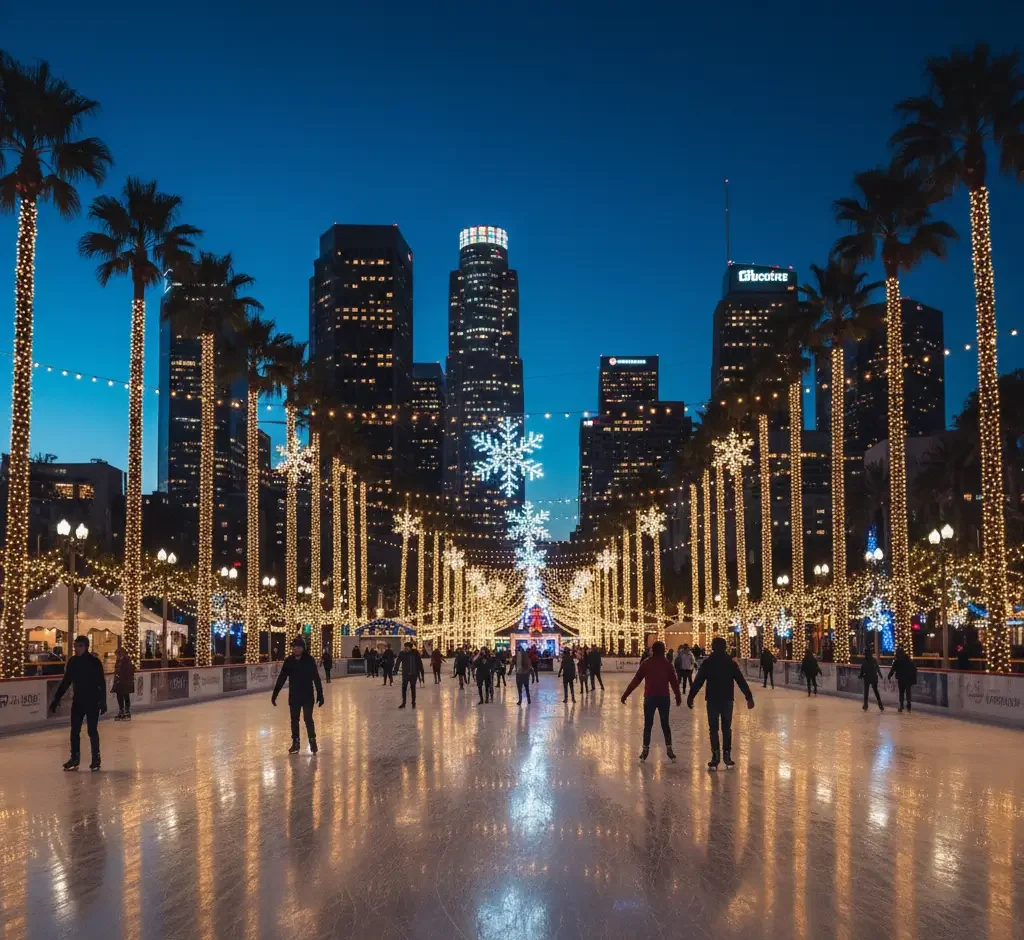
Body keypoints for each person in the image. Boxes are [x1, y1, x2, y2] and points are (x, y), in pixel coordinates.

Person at [687, 636, 755, 769]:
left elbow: (698, 681)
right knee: (726, 728)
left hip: (713, 699)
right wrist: (749, 697)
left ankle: (716, 756)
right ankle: (726, 756)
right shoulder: (729, 663)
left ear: (713, 647)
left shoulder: (709, 663)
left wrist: (691, 696)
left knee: (714, 729)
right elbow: (741, 681)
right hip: (726, 699)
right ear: (725, 647)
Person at [50, 635, 107, 771]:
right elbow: (66, 681)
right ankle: (74, 757)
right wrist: (56, 699)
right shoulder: (73, 662)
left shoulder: (94, 662)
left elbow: (101, 682)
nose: (77, 648)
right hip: (78, 701)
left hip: (92, 701)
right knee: (74, 730)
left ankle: (95, 758)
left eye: (80, 646)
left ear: (86, 646)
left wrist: (103, 701)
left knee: (92, 730)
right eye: (75, 645)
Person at [621, 640, 681, 762]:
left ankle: (645, 750)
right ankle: (669, 750)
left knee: (648, 725)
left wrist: (626, 694)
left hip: (650, 698)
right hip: (663, 698)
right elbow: (674, 682)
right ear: (663, 650)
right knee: (665, 724)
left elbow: (636, 680)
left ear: (653, 650)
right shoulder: (667, 664)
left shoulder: (647, 664)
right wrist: (678, 696)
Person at [272, 637, 324, 754]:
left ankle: (312, 740)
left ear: (303, 648)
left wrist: (320, 694)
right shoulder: (288, 661)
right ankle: (295, 743)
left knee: (308, 719)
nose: (295, 649)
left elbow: (316, 677)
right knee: (294, 720)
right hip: (294, 696)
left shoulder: (309, 660)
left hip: (307, 696)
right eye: (294, 647)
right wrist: (275, 694)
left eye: (298, 647)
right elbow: (282, 678)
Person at [396, 642, 425, 708]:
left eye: (407, 647)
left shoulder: (415, 653)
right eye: (405, 647)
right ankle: (403, 703)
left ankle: (413, 703)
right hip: (405, 674)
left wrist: (421, 671)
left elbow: (419, 662)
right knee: (404, 689)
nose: (405, 648)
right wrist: (395, 669)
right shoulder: (402, 653)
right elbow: (398, 661)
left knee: (413, 688)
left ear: (410, 647)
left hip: (413, 674)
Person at [888, 647, 917, 713]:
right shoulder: (908, 660)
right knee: (907, 692)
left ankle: (902, 706)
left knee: (902, 693)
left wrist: (889, 676)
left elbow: (893, 669)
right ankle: (908, 706)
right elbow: (914, 668)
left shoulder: (897, 660)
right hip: (907, 679)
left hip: (902, 679)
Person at [112, 645, 135, 720]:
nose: (116, 656)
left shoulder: (126, 661)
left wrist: (121, 678)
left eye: (117, 655)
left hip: (125, 682)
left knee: (125, 696)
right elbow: (117, 671)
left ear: (121, 654)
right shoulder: (119, 661)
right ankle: (121, 711)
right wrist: (116, 679)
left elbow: (127, 672)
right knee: (120, 696)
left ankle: (127, 712)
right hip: (119, 682)